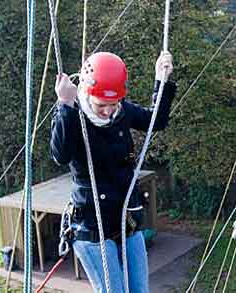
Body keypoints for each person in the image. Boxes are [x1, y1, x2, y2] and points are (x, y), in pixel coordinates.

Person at [50, 51, 175, 293]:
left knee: (139, 290)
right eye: (101, 105)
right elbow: (60, 155)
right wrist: (64, 105)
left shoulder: (121, 112)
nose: (107, 111)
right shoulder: (75, 117)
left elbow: (155, 121)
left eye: (113, 104)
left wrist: (162, 79)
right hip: (92, 226)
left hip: (125, 221)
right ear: (87, 93)